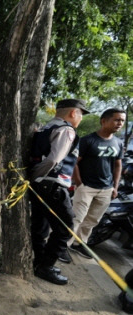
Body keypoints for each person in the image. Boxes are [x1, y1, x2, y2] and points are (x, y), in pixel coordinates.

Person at [29, 99, 90, 285]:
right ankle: (46, 267)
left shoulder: (44, 128)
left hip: (39, 186)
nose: (81, 119)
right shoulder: (67, 129)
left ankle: (39, 261)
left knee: (40, 226)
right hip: (53, 184)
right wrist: (36, 175)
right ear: (73, 113)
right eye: (81, 114)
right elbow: (54, 160)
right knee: (65, 228)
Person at [67, 108, 125, 260]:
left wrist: (115, 186)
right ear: (104, 121)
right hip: (86, 187)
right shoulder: (87, 140)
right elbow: (74, 162)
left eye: (122, 121)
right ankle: (63, 246)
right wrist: (79, 183)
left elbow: (118, 165)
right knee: (77, 218)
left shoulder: (118, 142)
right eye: (117, 119)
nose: (120, 123)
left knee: (92, 220)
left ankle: (79, 244)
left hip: (106, 189)